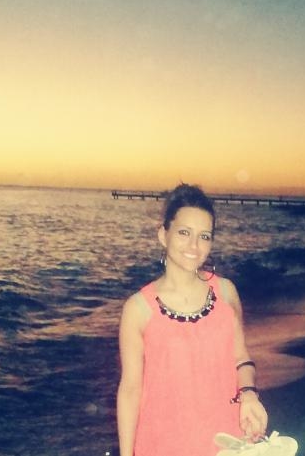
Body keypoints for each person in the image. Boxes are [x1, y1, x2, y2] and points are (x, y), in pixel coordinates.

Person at [117, 183, 268, 455]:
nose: (194, 246)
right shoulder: (138, 309)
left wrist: (248, 394)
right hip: (163, 443)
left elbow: (241, 358)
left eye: (204, 236)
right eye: (184, 232)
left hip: (226, 440)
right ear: (163, 235)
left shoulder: (226, 292)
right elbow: (130, 390)